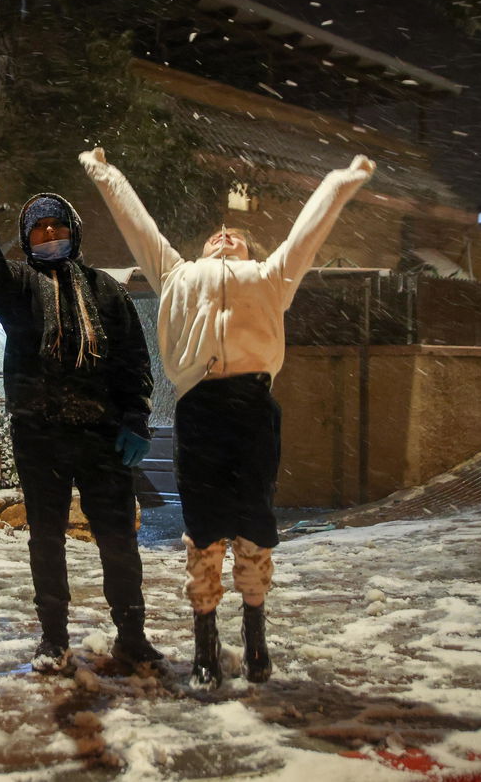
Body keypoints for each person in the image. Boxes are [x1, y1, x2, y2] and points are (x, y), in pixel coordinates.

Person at [78, 146, 375, 687]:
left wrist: (340, 181)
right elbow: (137, 225)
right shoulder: (177, 275)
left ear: (247, 249)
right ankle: (205, 640)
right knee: (204, 526)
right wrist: (105, 172)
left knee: (255, 521)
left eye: (234, 235)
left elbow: (308, 232)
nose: (223, 234)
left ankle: (256, 631)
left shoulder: (269, 276)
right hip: (200, 409)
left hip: (253, 409)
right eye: (216, 233)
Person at [0, 168, 161, 674]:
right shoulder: (19, 288)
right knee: (45, 538)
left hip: (102, 433)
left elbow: (133, 358)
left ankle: (131, 635)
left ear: (74, 231)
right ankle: (52, 637)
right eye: (39, 229)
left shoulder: (105, 291)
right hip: (39, 432)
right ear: (27, 239)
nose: (50, 235)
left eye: (57, 226)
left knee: (117, 539)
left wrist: (134, 417)